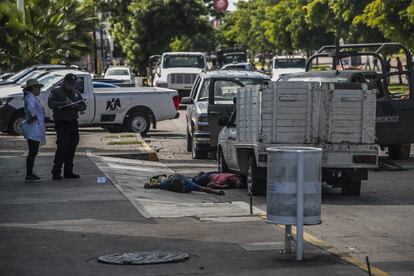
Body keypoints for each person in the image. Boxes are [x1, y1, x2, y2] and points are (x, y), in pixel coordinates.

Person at [48, 73, 86, 180]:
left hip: (73, 122)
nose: (71, 86)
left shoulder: (76, 93)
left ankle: (68, 171)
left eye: (73, 84)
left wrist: (76, 106)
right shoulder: (56, 91)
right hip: (62, 122)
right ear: (64, 82)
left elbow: (83, 106)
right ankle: (56, 172)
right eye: (69, 83)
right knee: (62, 147)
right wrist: (63, 103)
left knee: (72, 145)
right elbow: (51, 104)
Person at [21, 79, 46, 182]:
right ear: (33, 88)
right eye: (38, 88)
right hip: (33, 129)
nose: (39, 90)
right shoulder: (30, 97)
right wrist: (33, 116)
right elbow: (31, 109)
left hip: (34, 128)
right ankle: (29, 175)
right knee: (32, 152)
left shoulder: (31, 97)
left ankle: (30, 174)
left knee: (33, 152)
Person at [145, 174, 225, 195]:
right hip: (173, 179)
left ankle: (161, 176)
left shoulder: (188, 184)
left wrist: (217, 192)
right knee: (162, 179)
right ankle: (160, 176)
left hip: (177, 178)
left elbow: (204, 189)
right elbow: (156, 185)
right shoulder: (167, 184)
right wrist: (149, 185)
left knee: (163, 179)